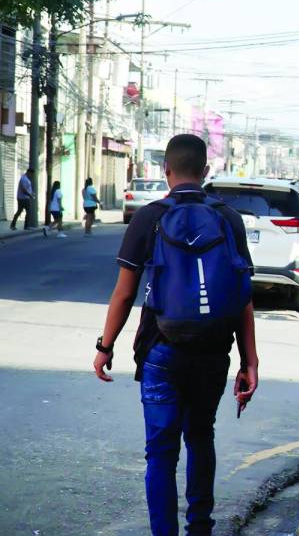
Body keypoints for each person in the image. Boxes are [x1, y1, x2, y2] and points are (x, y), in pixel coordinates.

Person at [92, 133, 259, 536]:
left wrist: (105, 345)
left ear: (165, 171)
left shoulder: (149, 217)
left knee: (161, 454)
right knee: (201, 436)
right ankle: (199, 528)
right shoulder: (228, 218)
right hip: (214, 351)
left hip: (161, 350)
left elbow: (125, 291)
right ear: (205, 172)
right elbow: (242, 298)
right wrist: (249, 361)